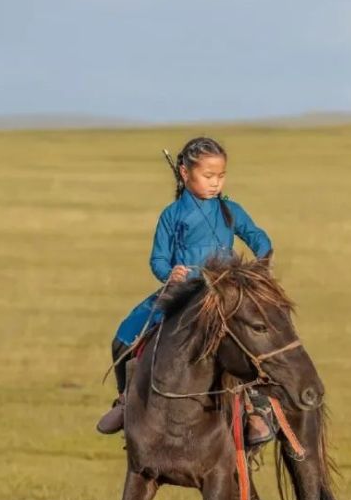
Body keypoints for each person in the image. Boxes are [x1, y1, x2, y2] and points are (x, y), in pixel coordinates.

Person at [96, 136, 277, 444]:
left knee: (258, 338)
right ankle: (127, 400)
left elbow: (256, 236)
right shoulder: (171, 215)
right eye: (208, 176)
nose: (215, 183)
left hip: (225, 291)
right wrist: (170, 273)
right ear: (184, 173)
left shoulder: (230, 209)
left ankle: (257, 406)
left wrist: (261, 259)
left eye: (220, 176)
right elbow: (158, 259)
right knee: (125, 334)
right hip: (183, 290)